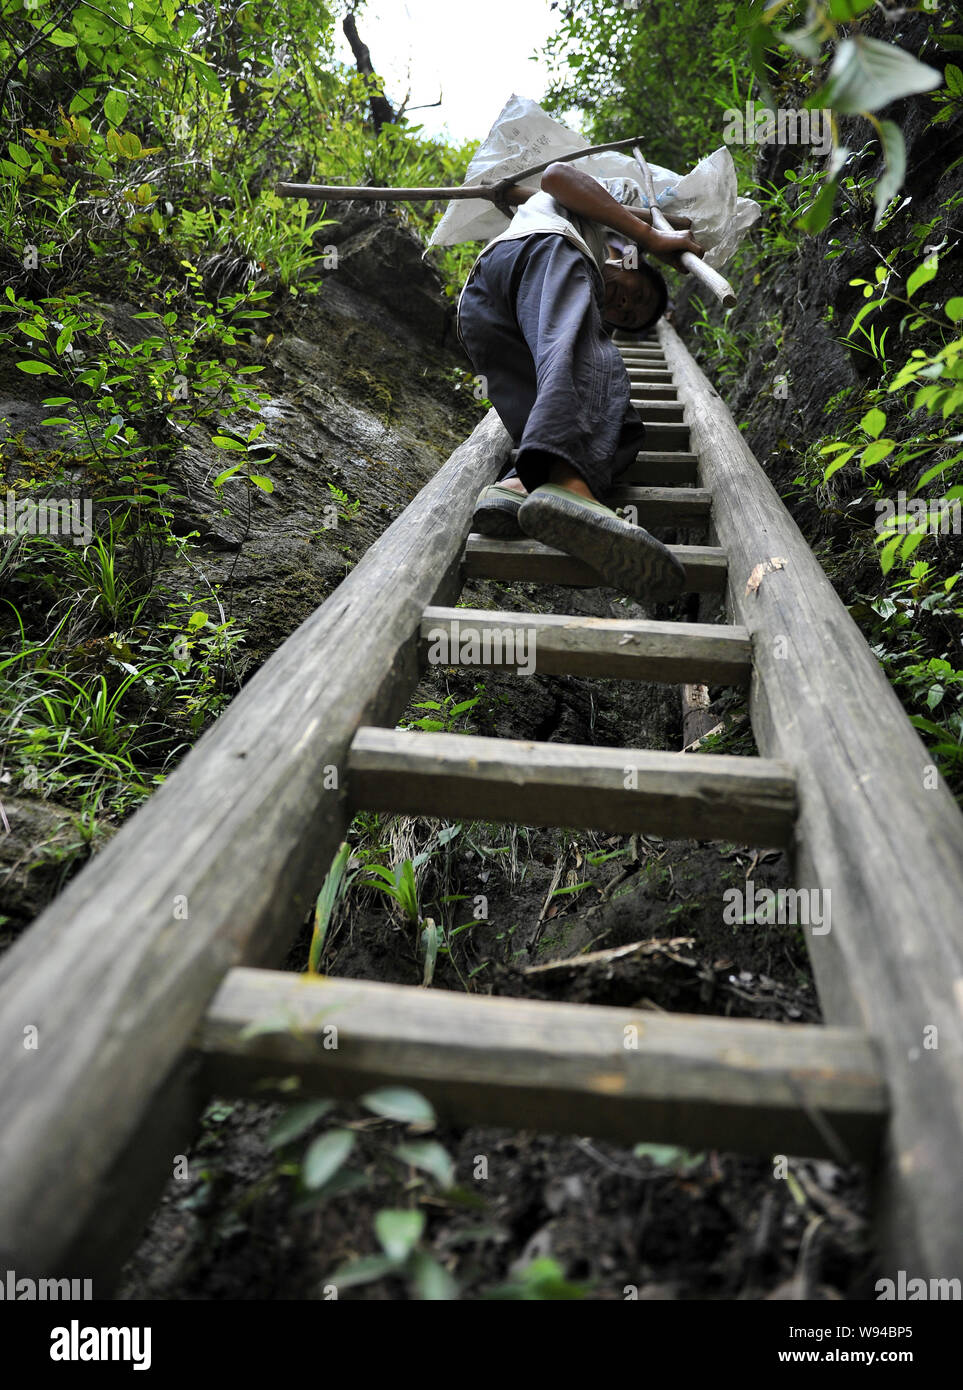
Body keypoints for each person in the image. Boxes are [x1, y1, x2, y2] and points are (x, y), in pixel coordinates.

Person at [456, 161, 705, 600]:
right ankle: (571, 487)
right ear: (629, 259)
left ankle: (520, 485)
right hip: (540, 251)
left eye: (625, 316)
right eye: (637, 292)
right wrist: (650, 236)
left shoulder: (565, 282)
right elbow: (555, 176)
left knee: (619, 425)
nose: (624, 303)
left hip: (482, 309)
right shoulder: (611, 226)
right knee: (593, 370)